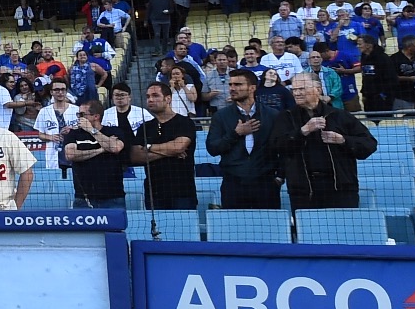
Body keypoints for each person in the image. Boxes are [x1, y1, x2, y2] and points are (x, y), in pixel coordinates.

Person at [266, 71, 379, 209]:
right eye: (294, 90)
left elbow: (369, 144)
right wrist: (303, 131)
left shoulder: (340, 116)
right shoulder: (286, 117)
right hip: (304, 191)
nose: (297, 93)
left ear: (318, 89)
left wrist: (343, 140)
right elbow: (276, 146)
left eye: (302, 88)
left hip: (341, 189)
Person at [205, 70, 283, 208]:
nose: (232, 88)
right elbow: (213, 148)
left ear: (252, 87)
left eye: (238, 84)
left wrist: (280, 177)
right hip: (233, 185)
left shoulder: (272, 115)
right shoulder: (221, 116)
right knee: (235, 229)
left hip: (266, 185)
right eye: (230, 84)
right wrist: (236, 133)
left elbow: (284, 149)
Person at [129, 81, 199, 210]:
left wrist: (148, 147)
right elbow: (135, 157)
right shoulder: (145, 127)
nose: (150, 99)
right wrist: (171, 151)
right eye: (148, 96)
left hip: (182, 192)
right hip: (154, 193)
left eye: (155, 96)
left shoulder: (184, 123)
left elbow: (179, 147)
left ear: (168, 99)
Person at [60, 96, 128, 209]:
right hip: (83, 198)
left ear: (96, 116)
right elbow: (70, 155)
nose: (78, 118)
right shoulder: (74, 134)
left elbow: (115, 148)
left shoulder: (114, 131)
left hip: (113, 197)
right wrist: (100, 150)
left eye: (82, 115)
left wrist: (91, 130)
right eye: (78, 114)